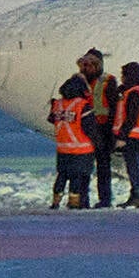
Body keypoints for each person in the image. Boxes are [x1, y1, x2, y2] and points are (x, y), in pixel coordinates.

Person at [59, 48, 121, 207]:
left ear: (99, 65)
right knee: (83, 167)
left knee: (103, 167)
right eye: (85, 64)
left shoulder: (108, 81)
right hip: (84, 129)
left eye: (91, 64)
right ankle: (82, 199)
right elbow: (64, 92)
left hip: (103, 128)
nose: (87, 68)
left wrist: (114, 132)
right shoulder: (77, 81)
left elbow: (114, 107)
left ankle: (105, 200)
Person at [47, 80, 95, 210]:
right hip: (81, 149)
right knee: (77, 177)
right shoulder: (82, 106)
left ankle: (56, 201)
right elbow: (90, 128)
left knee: (62, 175)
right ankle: (74, 202)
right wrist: (98, 143)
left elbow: (51, 119)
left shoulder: (58, 104)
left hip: (63, 148)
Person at [113, 61, 139, 208]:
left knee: (133, 168)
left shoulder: (134, 93)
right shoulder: (135, 91)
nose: (121, 78)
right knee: (133, 167)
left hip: (133, 137)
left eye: (123, 75)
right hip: (137, 136)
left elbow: (131, 117)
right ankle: (136, 196)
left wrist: (122, 137)